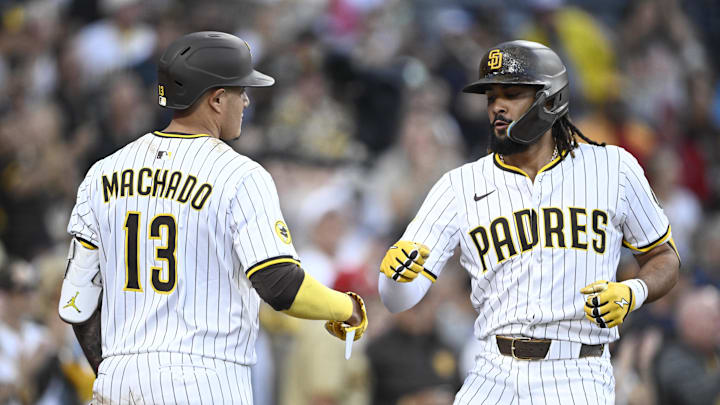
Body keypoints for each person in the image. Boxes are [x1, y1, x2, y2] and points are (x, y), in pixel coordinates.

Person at [57, 31, 368, 403]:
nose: (247, 100)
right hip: (203, 380)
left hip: (118, 377)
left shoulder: (102, 173)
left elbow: (76, 303)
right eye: (241, 91)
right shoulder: (240, 175)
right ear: (217, 99)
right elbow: (280, 285)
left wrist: (111, 369)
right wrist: (346, 307)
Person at [378, 40, 680, 404]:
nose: (497, 107)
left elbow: (663, 257)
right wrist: (393, 278)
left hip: (578, 371)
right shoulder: (459, 185)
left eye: (511, 94)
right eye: (491, 97)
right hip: (493, 368)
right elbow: (398, 301)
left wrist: (634, 292)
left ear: (550, 99)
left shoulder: (613, 169)